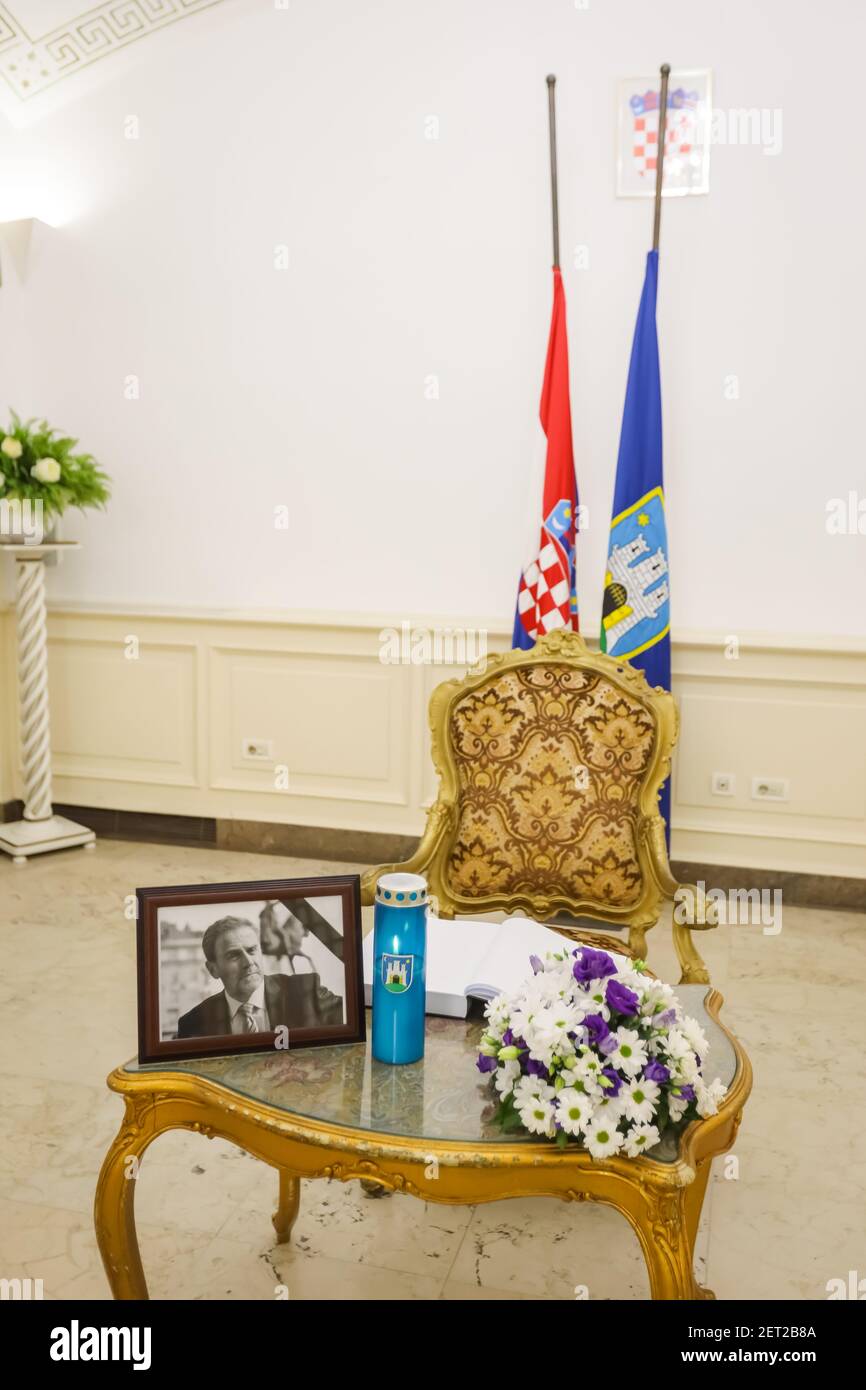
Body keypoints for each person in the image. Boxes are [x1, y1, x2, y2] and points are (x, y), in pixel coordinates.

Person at [176, 916, 342, 1038]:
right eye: (234, 955)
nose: (249, 962)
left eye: (252, 950)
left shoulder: (306, 991)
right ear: (213, 969)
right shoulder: (193, 1024)